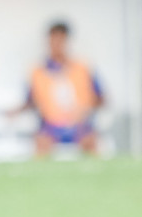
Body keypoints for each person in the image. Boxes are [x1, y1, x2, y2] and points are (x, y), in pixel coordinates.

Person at [16, 21, 104, 156]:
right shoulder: (38, 71)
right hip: (51, 125)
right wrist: (16, 111)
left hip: (79, 123)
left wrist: (86, 108)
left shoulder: (83, 67)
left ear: (67, 41)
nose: (57, 45)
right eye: (53, 40)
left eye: (60, 40)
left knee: (91, 142)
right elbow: (30, 100)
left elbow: (100, 98)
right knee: (41, 143)